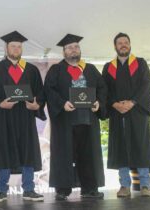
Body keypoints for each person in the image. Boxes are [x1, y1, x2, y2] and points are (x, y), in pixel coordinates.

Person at [0, 31, 46, 203]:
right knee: (4, 150)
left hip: (25, 116)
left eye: (19, 46)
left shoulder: (31, 69)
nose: (16, 49)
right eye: (13, 46)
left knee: (27, 151)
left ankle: (29, 189)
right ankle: (1, 190)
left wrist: (36, 105)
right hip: (4, 116)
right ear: (6, 48)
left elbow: (40, 93)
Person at [44, 34, 106, 200]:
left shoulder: (91, 69)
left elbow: (102, 89)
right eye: (70, 48)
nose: (74, 50)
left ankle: (90, 188)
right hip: (66, 120)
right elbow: (49, 91)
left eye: (76, 47)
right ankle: (63, 189)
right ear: (64, 52)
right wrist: (62, 103)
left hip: (88, 120)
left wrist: (99, 103)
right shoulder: (56, 70)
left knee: (88, 155)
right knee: (64, 155)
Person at [102, 32, 150, 197]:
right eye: (120, 43)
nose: (123, 45)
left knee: (141, 145)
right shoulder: (109, 67)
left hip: (137, 112)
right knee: (121, 147)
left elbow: (146, 85)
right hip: (118, 112)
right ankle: (124, 185)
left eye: (126, 42)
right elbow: (104, 90)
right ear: (115, 46)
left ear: (130, 45)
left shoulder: (139, 63)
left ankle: (145, 185)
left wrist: (132, 103)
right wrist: (114, 104)